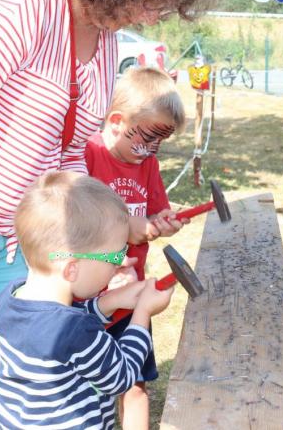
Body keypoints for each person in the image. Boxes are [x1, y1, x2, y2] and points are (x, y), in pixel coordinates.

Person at [0, 0, 218, 428]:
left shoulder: (102, 31)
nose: (154, 16)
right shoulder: (17, 1)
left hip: (21, 241)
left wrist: (106, 244)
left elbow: (67, 156)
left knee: (4, 375)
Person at [0, 171, 175, 429]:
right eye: (114, 256)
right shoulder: (76, 330)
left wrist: (109, 302)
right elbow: (120, 376)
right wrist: (143, 313)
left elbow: (59, 317)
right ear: (72, 269)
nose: (120, 263)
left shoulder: (10, 299)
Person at [85, 66, 187, 429]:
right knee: (90, 393)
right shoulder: (88, 156)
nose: (152, 150)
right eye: (148, 138)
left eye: (161, 142)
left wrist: (165, 220)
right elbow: (75, 228)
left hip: (131, 296)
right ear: (116, 121)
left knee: (135, 385)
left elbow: (157, 209)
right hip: (88, 301)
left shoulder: (147, 163)